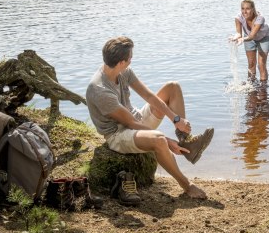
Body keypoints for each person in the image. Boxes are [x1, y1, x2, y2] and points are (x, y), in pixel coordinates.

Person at [86, 36, 214, 202]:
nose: (132, 60)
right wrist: (167, 141)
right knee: (159, 140)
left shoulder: (123, 71)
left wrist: (176, 119)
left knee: (172, 87)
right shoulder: (100, 90)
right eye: (130, 58)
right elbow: (130, 124)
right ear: (121, 63)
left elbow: (148, 96)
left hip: (136, 119)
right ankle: (187, 185)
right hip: (119, 134)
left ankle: (186, 143)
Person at [231, 0, 269, 84]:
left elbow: (252, 35)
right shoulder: (238, 18)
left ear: (253, 9)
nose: (244, 11)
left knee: (261, 65)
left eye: (247, 9)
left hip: (264, 38)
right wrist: (236, 37)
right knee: (251, 64)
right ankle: (251, 85)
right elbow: (239, 34)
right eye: (242, 8)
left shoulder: (260, 18)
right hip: (248, 38)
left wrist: (243, 39)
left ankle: (263, 88)